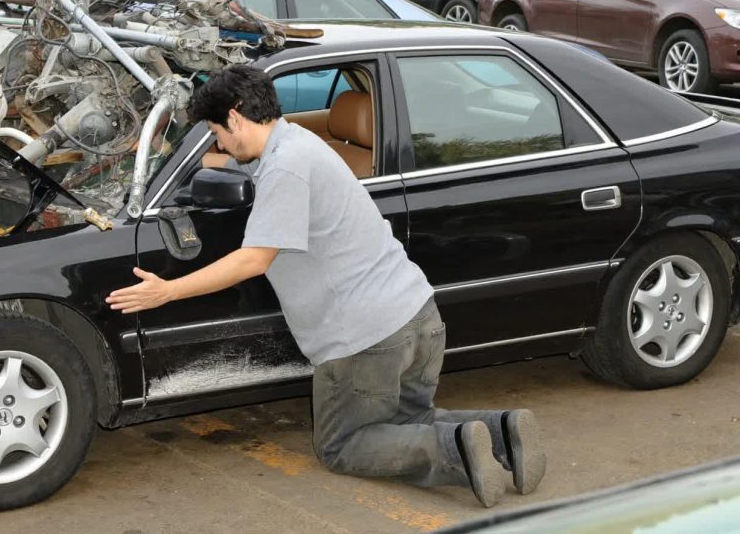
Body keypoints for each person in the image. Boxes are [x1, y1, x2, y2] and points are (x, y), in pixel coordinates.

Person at [105, 65, 546, 507]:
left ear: (235, 118)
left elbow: (254, 259)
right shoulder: (299, 143)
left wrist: (168, 290)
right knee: (409, 419)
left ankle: (455, 452)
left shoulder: (284, 168)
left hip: (365, 338)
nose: (218, 143)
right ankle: (501, 432)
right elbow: (239, 166)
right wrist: (175, 158)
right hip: (418, 315)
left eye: (217, 132)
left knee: (343, 445)